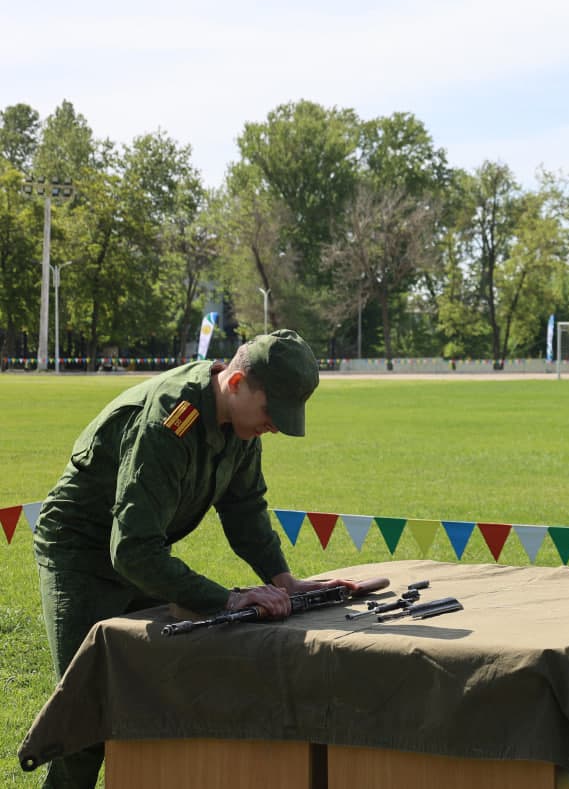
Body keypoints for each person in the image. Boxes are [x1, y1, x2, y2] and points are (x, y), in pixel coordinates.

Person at [33, 329, 354, 789]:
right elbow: (132, 549)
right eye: (271, 411)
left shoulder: (242, 426)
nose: (276, 425)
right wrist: (226, 599)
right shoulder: (169, 422)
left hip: (139, 551)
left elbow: (245, 510)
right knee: (87, 712)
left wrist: (286, 581)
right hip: (80, 555)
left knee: (150, 689)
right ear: (237, 382)